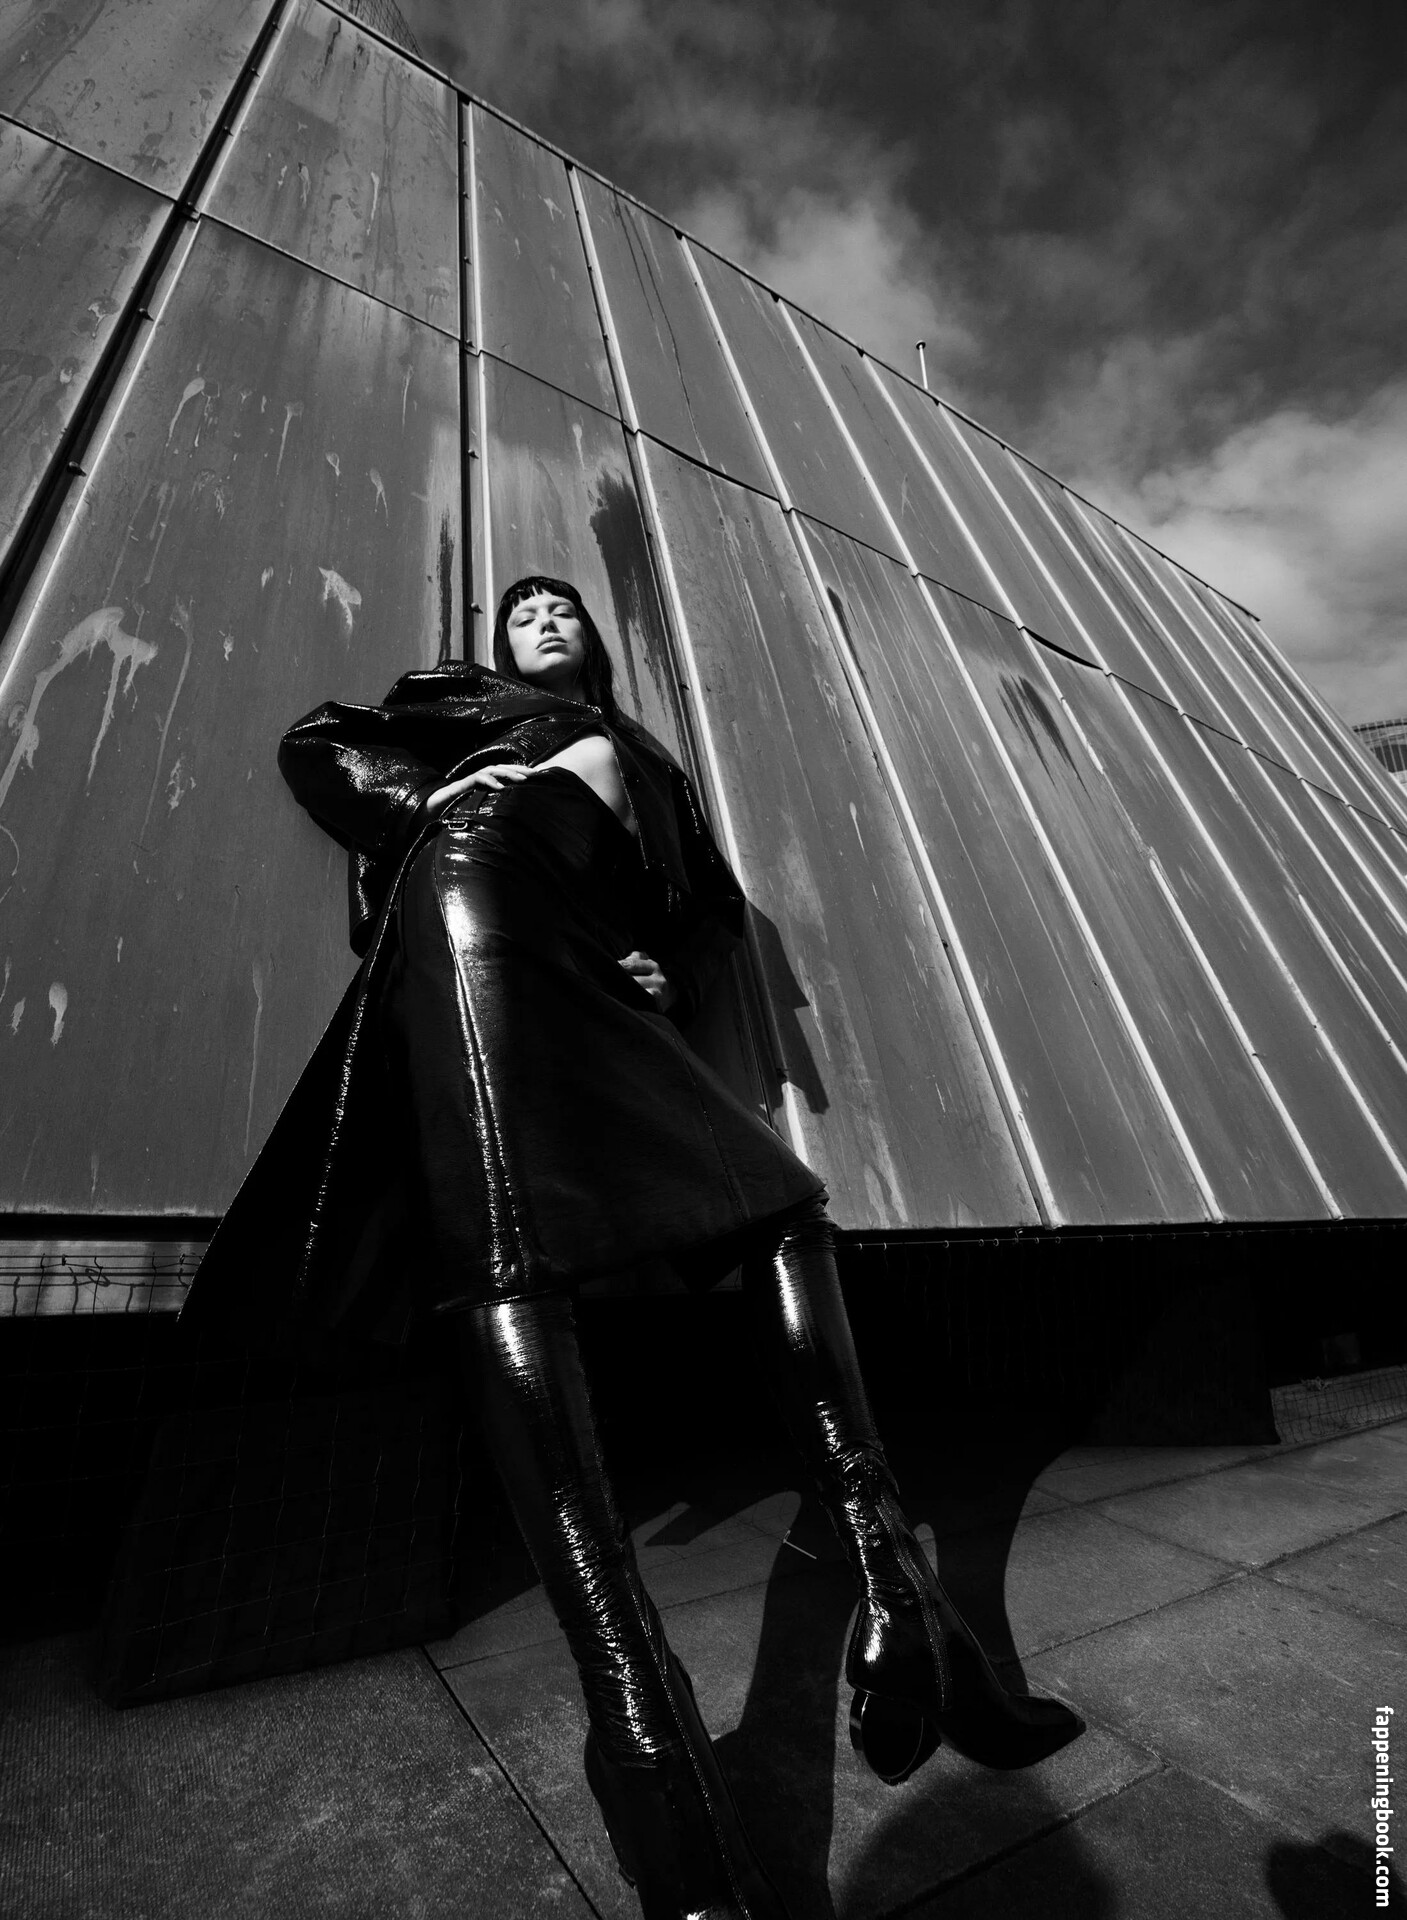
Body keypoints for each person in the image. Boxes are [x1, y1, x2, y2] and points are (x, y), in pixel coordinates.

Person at [181, 576, 1082, 1920]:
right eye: (522, 610)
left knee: (777, 1205)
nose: (543, 616)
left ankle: (902, 1591)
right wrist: (435, 798)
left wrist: (664, 962)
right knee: (508, 1250)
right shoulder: (463, 707)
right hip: (478, 890)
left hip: (588, 958)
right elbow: (317, 741)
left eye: (562, 606)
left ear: (593, 638)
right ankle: (642, 1728)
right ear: (498, 647)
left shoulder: (645, 756)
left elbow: (697, 906)